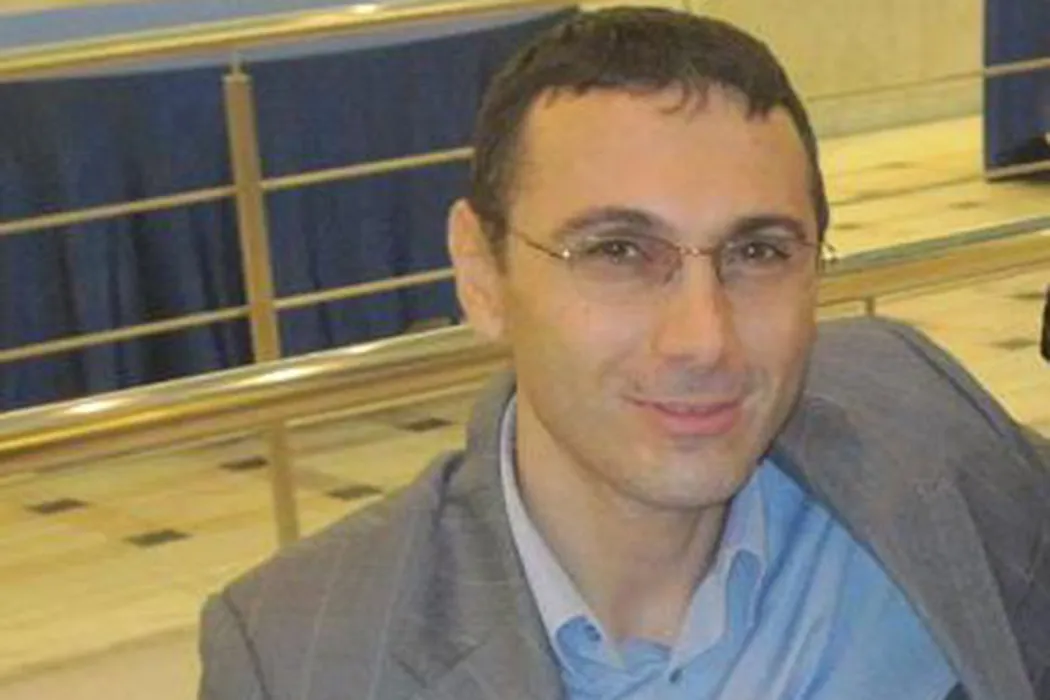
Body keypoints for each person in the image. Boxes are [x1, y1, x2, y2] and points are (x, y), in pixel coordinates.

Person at [198, 8, 1050, 700]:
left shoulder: (918, 422)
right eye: (617, 252)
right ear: (481, 273)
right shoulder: (306, 657)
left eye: (758, 252)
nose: (703, 340)